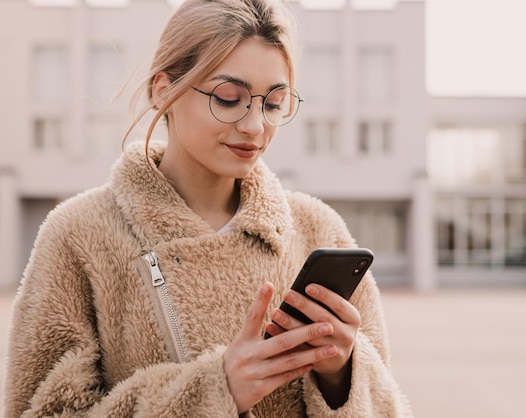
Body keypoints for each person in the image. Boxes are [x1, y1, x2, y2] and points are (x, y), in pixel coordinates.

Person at [3, 0, 413, 416]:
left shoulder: (317, 230)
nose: (255, 126)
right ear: (164, 90)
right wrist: (211, 391)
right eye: (229, 98)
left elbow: (389, 407)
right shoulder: (79, 234)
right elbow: (39, 410)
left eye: (273, 104)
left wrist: (341, 376)